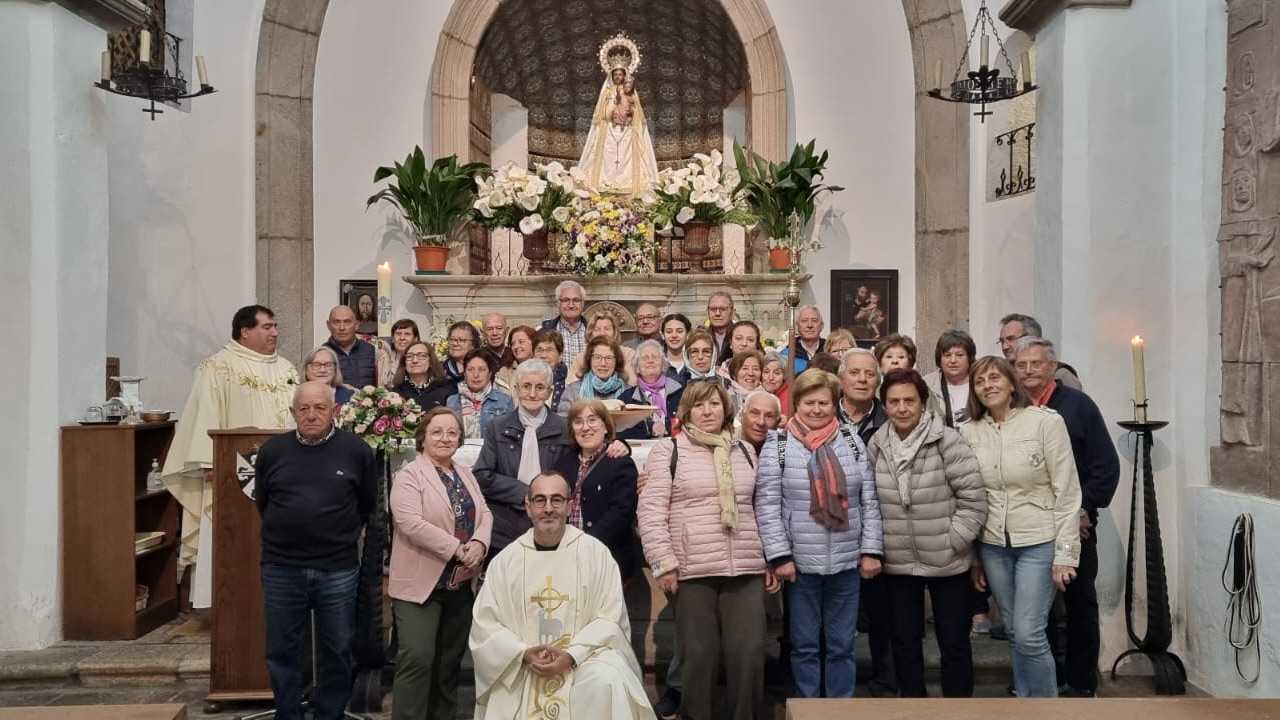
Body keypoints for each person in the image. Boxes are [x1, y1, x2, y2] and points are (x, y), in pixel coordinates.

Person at [468, 471, 653, 720]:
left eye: (556, 500)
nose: (548, 508)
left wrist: (571, 655)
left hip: (583, 663)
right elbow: (486, 625)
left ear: (570, 505)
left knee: (608, 678)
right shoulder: (506, 562)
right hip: (524, 667)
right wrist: (522, 652)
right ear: (528, 506)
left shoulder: (595, 554)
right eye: (540, 500)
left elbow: (610, 620)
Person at [639, 381, 772, 720]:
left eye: (714, 403)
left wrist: (771, 558)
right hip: (692, 569)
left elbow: (761, 507)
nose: (707, 411)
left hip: (744, 568)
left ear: (726, 408)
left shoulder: (743, 451)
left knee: (749, 655)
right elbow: (651, 513)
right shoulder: (669, 450)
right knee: (698, 659)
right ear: (687, 411)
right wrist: (663, 563)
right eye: (699, 405)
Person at [755, 369, 884, 698]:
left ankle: (839, 708)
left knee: (842, 646)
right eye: (809, 402)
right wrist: (780, 556)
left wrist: (871, 550)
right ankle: (809, 708)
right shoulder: (779, 444)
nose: (816, 409)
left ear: (834, 403)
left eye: (823, 403)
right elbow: (768, 504)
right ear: (796, 403)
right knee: (805, 646)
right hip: (800, 566)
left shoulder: (851, 441)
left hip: (846, 562)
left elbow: (867, 499)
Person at [254, 381, 378, 720]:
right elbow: (263, 503)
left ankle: (330, 713)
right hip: (282, 567)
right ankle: (288, 713)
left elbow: (366, 503)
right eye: (303, 409)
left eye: (319, 408)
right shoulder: (272, 451)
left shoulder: (356, 450)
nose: (311, 415)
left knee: (337, 648)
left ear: (334, 410)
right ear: (293, 412)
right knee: (281, 649)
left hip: (336, 568)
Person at [162, 304, 298, 609]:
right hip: (232, 473)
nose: (275, 332)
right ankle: (227, 609)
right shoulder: (217, 367)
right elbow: (204, 415)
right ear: (245, 331)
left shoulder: (286, 368)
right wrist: (210, 463)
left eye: (275, 326)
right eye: (267, 327)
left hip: (283, 472)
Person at [962, 356, 1082, 698]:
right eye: (980, 381)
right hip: (993, 545)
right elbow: (970, 497)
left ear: (1012, 383)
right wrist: (975, 558)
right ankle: (1024, 702)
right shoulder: (969, 431)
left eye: (995, 378)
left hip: (1039, 541)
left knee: (1030, 632)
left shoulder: (1044, 423)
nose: (988, 385)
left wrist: (1066, 554)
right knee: (1015, 631)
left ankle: (1045, 706)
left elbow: (1068, 490)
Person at [866, 369, 986, 697]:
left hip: (946, 559)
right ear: (885, 405)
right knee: (904, 641)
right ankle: (915, 707)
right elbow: (870, 499)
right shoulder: (878, 443)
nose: (902, 408)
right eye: (894, 401)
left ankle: (957, 710)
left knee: (954, 642)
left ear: (922, 403)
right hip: (899, 562)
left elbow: (973, 500)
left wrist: (953, 540)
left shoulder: (947, 440)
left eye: (909, 400)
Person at [1013, 336, 1120, 697]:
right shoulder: (1013, 408)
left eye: (1036, 363)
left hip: (1076, 525)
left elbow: (1105, 466)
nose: (1028, 371)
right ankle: (1045, 680)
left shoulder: (1077, 406)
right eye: (1021, 364)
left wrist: (1083, 510)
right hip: (1030, 527)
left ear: (1052, 366)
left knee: (1079, 605)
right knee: (1032, 611)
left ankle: (1080, 681)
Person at [389, 407, 492, 720]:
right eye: (437, 432)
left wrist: (479, 543)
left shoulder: (464, 472)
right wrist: (459, 549)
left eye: (452, 432)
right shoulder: (408, 475)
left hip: (459, 585)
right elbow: (411, 523)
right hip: (420, 586)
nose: (445, 438)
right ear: (423, 438)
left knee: (448, 665)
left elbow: (485, 513)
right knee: (417, 660)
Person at [473, 360, 629, 556]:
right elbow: (481, 474)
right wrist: (527, 492)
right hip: (506, 527)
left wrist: (621, 444)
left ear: (550, 392)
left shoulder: (565, 428)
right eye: (526, 386)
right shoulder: (498, 426)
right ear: (516, 389)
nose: (532, 394)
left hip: (552, 525)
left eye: (539, 387)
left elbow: (591, 449)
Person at [833, 347, 895, 696]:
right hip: (833, 530)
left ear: (878, 381)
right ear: (841, 380)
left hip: (880, 527)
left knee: (881, 614)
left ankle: (885, 683)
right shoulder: (823, 416)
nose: (862, 379)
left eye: (869, 374)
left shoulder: (890, 420)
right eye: (855, 373)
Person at [553, 400, 642, 578]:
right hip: (566, 559)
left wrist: (585, 544)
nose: (585, 427)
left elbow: (621, 512)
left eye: (592, 420)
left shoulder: (620, 462)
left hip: (606, 559)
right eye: (578, 422)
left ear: (606, 427)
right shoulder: (563, 463)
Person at [577, 50, 659, 194]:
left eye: (620, 74)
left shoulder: (630, 92)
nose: (618, 77)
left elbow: (636, 111)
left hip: (627, 130)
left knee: (626, 156)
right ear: (611, 75)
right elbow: (601, 113)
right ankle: (605, 181)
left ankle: (627, 182)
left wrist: (629, 113)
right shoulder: (607, 92)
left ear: (625, 75)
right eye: (615, 74)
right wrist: (611, 112)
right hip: (608, 129)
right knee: (607, 155)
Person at [618, 339, 683, 439]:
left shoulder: (681, 392)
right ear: (637, 367)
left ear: (663, 365)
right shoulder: (626, 398)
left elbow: (689, 423)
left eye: (655, 357)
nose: (650, 361)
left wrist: (667, 426)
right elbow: (620, 430)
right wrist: (649, 428)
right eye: (645, 358)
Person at [998, 313, 1082, 389]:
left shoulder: (1061, 375)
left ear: (1031, 338)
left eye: (1011, 339)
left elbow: (1075, 403)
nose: (1005, 346)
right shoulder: (1000, 374)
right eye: (1002, 341)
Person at [447, 349, 515, 440]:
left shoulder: (505, 401)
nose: (475, 375)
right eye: (470, 369)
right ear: (464, 373)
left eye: (481, 369)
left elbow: (510, 437)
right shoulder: (452, 401)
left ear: (490, 373)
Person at [559, 336, 630, 414]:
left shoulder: (629, 391)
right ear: (589, 360)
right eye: (597, 357)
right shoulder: (573, 391)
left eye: (609, 358)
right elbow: (563, 422)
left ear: (617, 361)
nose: (603, 363)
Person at [924, 329, 976, 428]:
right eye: (947, 355)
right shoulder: (926, 384)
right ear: (939, 358)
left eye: (959, 355)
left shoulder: (981, 381)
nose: (953, 360)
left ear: (969, 357)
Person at [568, 313, 636, 384]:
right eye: (597, 329)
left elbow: (633, 384)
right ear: (591, 333)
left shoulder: (628, 354)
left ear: (614, 332)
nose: (602, 333)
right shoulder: (581, 357)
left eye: (607, 329)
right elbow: (571, 385)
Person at [324, 305, 377, 389]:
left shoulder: (371, 350)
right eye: (337, 322)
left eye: (347, 322)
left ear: (356, 325)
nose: (342, 328)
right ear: (328, 325)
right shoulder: (322, 354)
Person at [393, 340, 455, 411]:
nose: (415, 360)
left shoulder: (446, 389)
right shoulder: (396, 393)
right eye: (409, 356)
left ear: (431, 362)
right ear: (404, 363)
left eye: (422, 356)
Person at [541, 280, 588, 370]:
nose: (571, 305)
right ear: (558, 303)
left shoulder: (593, 330)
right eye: (566, 300)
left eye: (576, 300)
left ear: (583, 303)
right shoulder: (545, 330)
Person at [375, 318, 421, 388]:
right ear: (393, 339)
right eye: (398, 334)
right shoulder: (384, 356)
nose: (402, 338)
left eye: (407, 334)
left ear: (415, 339)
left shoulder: (421, 360)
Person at [532, 330, 571, 411]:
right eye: (539, 350)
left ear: (560, 355)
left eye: (549, 350)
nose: (543, 355)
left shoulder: (569, 382)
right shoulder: (524, 380)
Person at [780, 305, 826, 374]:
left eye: (814, 320)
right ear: (797, 326)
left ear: (822, 326)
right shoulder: (786, 355)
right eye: (804, 321)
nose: (809, 325)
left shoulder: (829, 351)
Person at [495, 325, 537, 395]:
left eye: (521, 342)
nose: (516, 346)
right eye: (513, 344)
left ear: (534, 343)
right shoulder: (504, 372)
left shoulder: (544, 368)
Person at [737, 390, 783, 454]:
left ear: (778, 422)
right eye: (755, 413)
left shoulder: (786, 448)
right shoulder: (726, 445)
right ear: (742, 416)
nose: (761, 422)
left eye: (769, 416)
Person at [706, 291, 737, 359]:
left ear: (732, 312)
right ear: (707, 312)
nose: (717, 313)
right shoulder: (701, 336)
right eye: (713, 309)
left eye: (723, 309)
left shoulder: (742, 337)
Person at [661, 313, 692, 380]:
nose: (674, 335)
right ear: (663, 335)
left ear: (688, 335)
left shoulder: (695, 363)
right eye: (669, 332)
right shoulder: (654, 364)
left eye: (679, 331)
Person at [761, 352, 791, 417]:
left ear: (784, 376)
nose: (771, 377)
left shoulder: (788, 397)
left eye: (777, 373)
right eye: (766, 372)